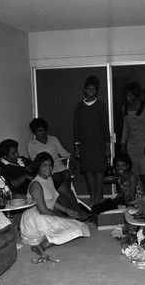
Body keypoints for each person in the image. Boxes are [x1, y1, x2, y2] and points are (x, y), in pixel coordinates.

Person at [20, 152, 91, 256]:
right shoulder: (36, 184)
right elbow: (43, 210)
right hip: (36, 218)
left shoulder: (49, 179)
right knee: (75, 228)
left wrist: (67, 210)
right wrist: (64, 217)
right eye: (44, 165)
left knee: (82, 227)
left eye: (50, 165)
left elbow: (52, 200)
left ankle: (47, 237)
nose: (48, 168)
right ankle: (44, 245)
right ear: (37, 167)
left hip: (47, 215)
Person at [27, 118, 87, 219]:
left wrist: (71, 156)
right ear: (34, 132)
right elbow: (35, 160)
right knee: (60, 181)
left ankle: (75, 210)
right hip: (45, 168)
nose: (42, 133)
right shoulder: (31, 144)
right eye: (39, 131)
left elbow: (63, 153)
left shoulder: (53, 139)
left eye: (43, 130)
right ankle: (77, 210)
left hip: (57, 164)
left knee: (66, 174)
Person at [73, 75, 110, 206]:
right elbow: (76, 128)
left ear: (97, 91)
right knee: (88, 171)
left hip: (99, 144)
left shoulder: (101, 105)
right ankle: (93, 199)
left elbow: (105, 127)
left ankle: (98, 199)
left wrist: (107, 146)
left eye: (94, 90)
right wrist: (77, 147)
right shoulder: (79, 107)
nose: (91, 92)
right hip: (85, 145)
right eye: (89, 89)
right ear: (85, 90)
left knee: (99, 171)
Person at [121, 81, 145, 191]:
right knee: (134, 171)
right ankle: (135, 194)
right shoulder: (124, 108)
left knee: (144, 171)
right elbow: (125, 127)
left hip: (144, 143)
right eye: (126, 96)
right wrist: (123, 143)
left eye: (130, 96)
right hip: (131, 144)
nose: (128, 98)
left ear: (136, 96)